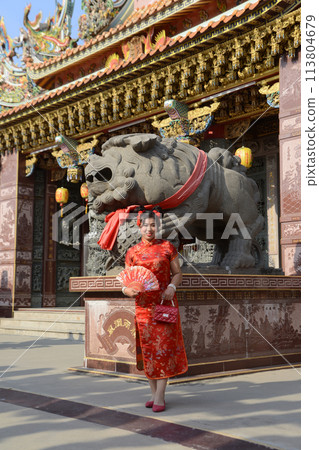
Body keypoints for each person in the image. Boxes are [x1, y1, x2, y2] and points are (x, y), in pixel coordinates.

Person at [121, 208, 188, 412]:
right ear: (139, 226)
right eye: (145, 225)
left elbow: (178, 274)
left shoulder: (167, 247)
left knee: (163, 349)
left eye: (153, 225)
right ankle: (153, 393)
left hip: (164, 304)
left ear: (158, 227)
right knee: (148, 351)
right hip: (142, 307)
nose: (149, 229)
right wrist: (128, 291)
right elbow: (125, 281)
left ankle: (160, 396)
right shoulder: (132, 252)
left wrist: (171, 287)